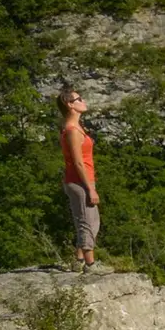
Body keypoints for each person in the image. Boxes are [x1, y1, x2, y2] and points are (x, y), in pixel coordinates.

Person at [56, 84, 101, 271]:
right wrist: (90, 188)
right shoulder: (72, 130)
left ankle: (79, 260)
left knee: (93, 222)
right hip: (79, 181)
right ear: (70, 105)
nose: (83, 101)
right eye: (78, 99)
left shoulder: (76, 127)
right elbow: (77, 162)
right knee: (86, 222)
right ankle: (90, 265)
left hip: (83, 180)